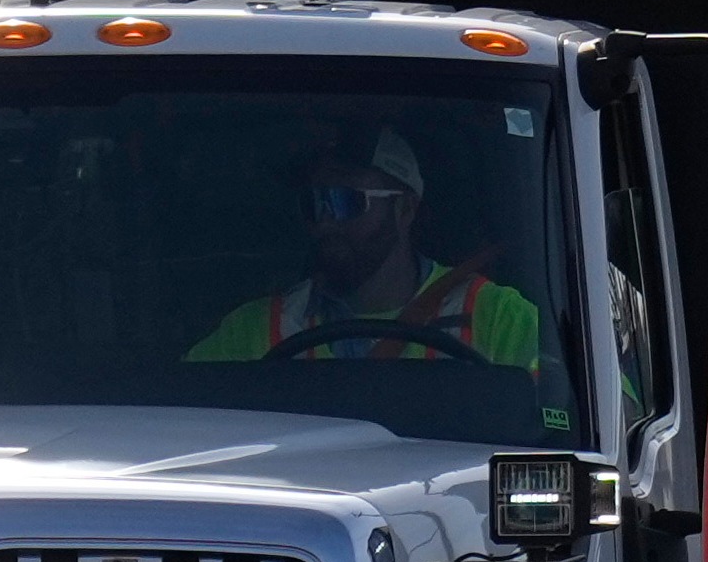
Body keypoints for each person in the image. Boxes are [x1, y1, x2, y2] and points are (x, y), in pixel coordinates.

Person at [197, 117, 552, 385]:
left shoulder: (497, 317)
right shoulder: (254, 329)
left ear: (405, 210)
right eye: (314, 203)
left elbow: (550, 419)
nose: (325, 221)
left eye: (345, 201)